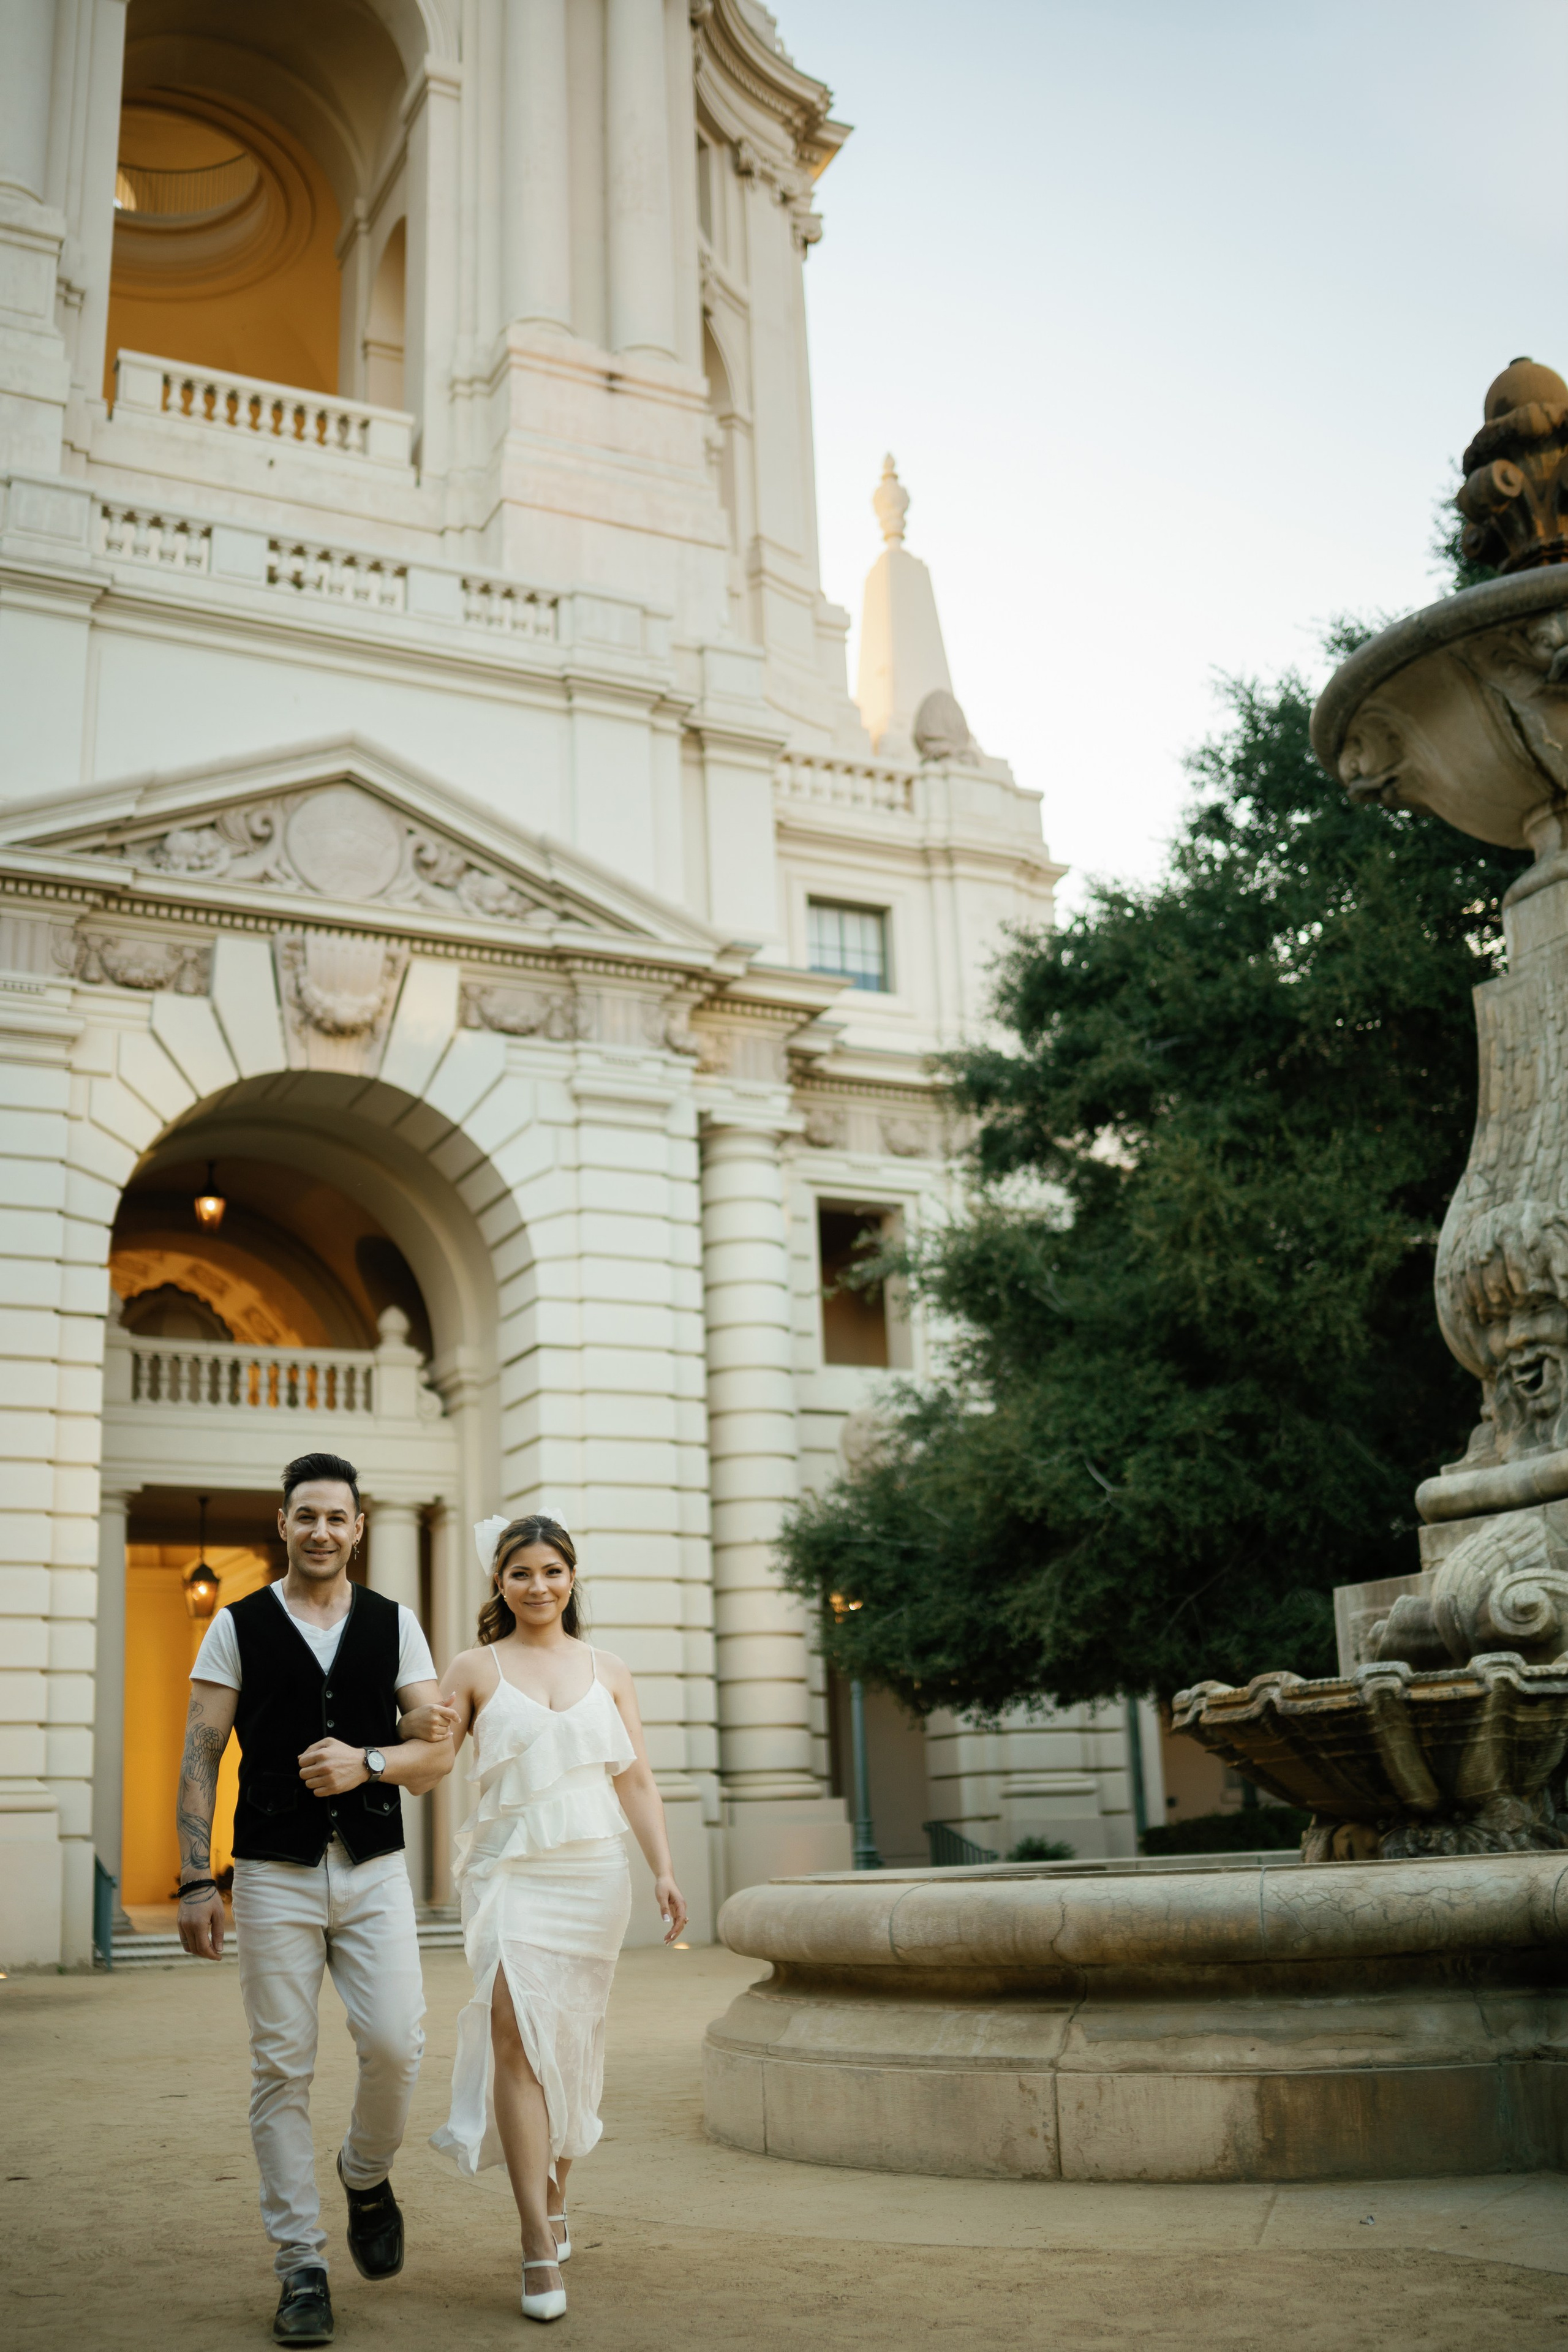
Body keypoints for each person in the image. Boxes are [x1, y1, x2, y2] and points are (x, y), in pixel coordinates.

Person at [175, 1452, 458, 2346]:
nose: (322, 1532)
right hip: (271, 1873)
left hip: (374, 1868)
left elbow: (432, 1749)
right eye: (307, 1516)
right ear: (284, 1523)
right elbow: (199, 1752)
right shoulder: (237, 1625)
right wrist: (193, 1877)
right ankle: (301, 2265)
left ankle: (365, 2175)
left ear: (360, 1527)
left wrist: (375, 1755)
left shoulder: (396, 1624)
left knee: (397, 2044)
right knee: (280, 2068)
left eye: (338, 1517)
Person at [424, 1512, 687, 2323]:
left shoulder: (610, 1669)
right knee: (514, 2032)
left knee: (569, 2043)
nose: (537, 1586)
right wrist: (397, 1740)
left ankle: (557, 2190)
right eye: (520, 1573)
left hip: (593, 1873)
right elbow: (433, 1758)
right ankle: (536, 2242)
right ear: (498, 1583)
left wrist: (665, 1868)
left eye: (552, 1571)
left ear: (572, 1578)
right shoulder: (472, 1667)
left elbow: (634, 1780)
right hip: (509, 1874)